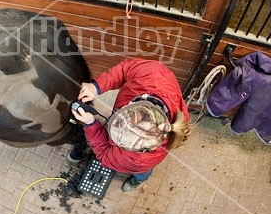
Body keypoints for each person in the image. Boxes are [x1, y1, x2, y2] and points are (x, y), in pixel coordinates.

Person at [67, 58, 192, 192]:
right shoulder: (155, 74)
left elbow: (104, 154)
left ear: (137, 148)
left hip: (140, 166)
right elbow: (124, 69)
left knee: (142, 172)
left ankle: (137, 180)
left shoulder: (136, 159)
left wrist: (91, 124)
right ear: (135, 104)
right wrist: (97, 86)